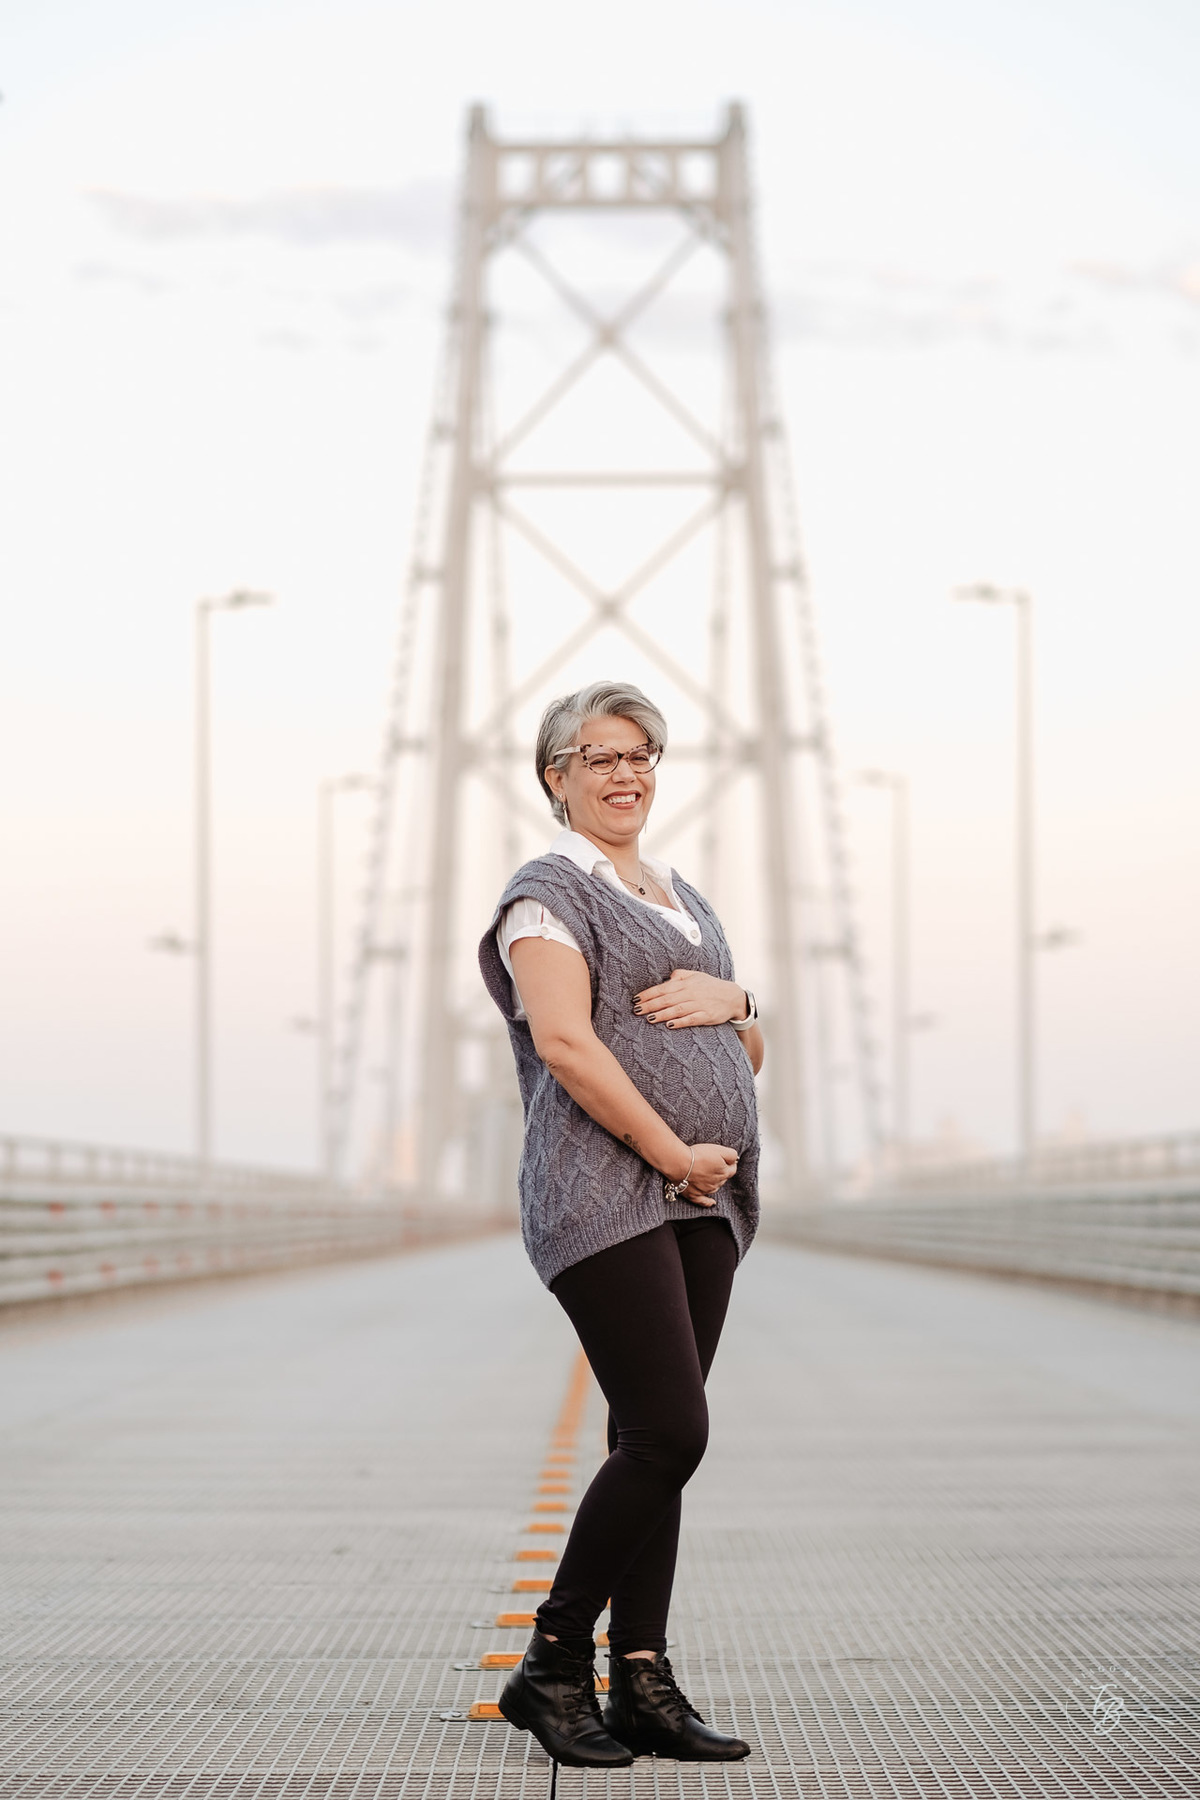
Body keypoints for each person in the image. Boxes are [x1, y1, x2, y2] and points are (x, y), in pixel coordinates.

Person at [477, 679, 763, 1769]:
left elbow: (744, 1054)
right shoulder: (547, 895)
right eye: (597, 755)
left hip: (703, 1199)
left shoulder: (688, 900)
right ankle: (553, 1665)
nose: (625, 770)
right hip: (609, 1191)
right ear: (555, 778)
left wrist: (739, 1003)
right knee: (668, 1432)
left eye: (641, 751)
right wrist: (669, 1150)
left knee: (656, 1442)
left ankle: (641, 1678)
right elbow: (565, 1041)